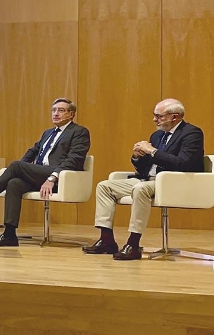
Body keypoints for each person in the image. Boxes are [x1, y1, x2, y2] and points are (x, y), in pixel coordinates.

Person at [83, 98, 203, 260]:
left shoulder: (192, 133)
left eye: (159, 116)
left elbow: (183, 163)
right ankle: (106, 240)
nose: (155, 120)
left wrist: (152, 151)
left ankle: (133, 244)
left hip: (175, 182)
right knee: (105, 186)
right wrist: (137, 157)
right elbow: (146, 167)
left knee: (140, 189)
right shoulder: (157, 135)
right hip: (149, 180)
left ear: (174, 117)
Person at [0, 98, 90, 247]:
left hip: (61, 178)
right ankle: (9, 234)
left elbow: (74, 159)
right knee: (14, 183)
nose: (56, 113)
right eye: (54, 110)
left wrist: (52, 178)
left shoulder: (79, 132)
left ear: (71, 114)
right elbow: (33, 151)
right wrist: (20, 171)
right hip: (40, 175)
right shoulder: (48, 133)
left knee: (17, 166)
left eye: (61, 110)